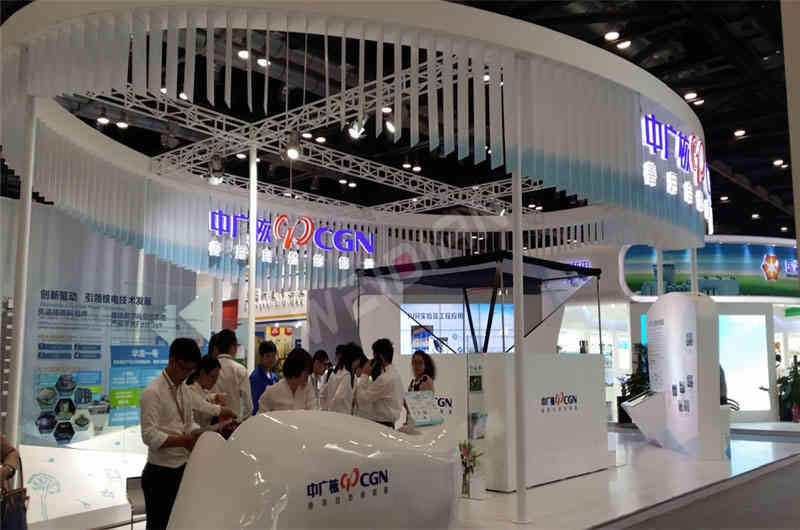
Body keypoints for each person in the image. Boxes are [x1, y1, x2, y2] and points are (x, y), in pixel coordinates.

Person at [140, 338, 202, 530]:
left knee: (180, 524)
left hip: (183, 468)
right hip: (160, 473)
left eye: (191, 370)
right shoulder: (153, 391)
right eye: (184, 368)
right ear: (172, 361)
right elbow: (148, 435)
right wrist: (182, 441)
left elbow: (187, 422)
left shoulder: (183, 389)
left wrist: (197, 432)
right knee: (159, 526)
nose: (187, 374)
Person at [355, 339, 405, 428]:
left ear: (380, 357)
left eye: (374, 355)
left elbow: (361, 399)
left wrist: (365, 374)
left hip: (381, 425)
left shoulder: (384, 379)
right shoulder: (394, 374)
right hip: (388, 423)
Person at [210, 329, 253, 423]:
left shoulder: (207, 368)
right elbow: (248, 405)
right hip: (232, 425)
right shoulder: (240, 369)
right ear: (233, 346)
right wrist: (240, 421)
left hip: (209, 423)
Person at [185, 355, 237, 431]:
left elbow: (206, 398)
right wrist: (225, 411)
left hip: (203, 433)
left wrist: (215, 397)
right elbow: (205, 406)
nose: (215, 381)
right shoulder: (189, 391)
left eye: (216, 378)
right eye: (212, 377)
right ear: (202, 373)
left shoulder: (203, 391)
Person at [257, 347, 315, 412]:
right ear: (296, 370)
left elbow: (312, 412)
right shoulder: (272, 392)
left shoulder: (308, 389)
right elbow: (261, 416)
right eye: (305, 374)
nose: (307, 378)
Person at [327, 343, 366, 415]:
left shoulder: (336, 372)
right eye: (358, 359)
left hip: (333, 414)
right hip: (341, 415)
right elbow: (339, 397)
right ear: (354, 359)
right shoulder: (347, 375)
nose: (358, 362)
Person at [250, 341, 279, 415]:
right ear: (261, 357)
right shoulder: (255, 377)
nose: (271, 359)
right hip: (261, 416)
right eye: (268, 356)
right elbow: (255, 404)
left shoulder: (274, 377)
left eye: (273, 356)